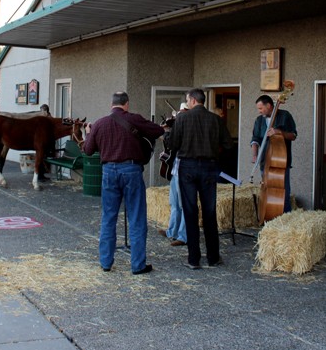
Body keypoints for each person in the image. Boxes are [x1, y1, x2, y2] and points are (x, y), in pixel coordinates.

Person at [83, 91, 164, 275]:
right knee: (136, 217)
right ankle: (137, 265)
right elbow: (158, 131)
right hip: (131, 170)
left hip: (108, 172)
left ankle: (106, 262)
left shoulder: (100, 123)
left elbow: (87, 150)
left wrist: (88, 133)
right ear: (126, 104)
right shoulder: (134, 119)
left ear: (112, 104)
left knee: (109, 217)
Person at [170, 88, 232, 270]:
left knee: (190, 212)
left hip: (187, 166)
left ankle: (193, 259)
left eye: (188, 100)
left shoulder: (182, 118)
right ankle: (213, 257)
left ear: (192, 100)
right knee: (209, 213)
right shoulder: (215, 120)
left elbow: (173, 144)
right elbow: (228, 145)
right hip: (209, 166)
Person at [250, 94, 297, 212]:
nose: (259, 111)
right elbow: (255, 139)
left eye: (261, 108)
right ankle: (268, 215)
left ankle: (285, 216)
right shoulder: (259, 120)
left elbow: (293, 135)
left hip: (281, 162)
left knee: (283, 191)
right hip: (264, 162)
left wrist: (279, 132)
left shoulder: (285, 116)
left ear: (269, 106)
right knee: (266, 190)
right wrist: (255, 154)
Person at [159, 103, 187, 247]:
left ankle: (183, 236)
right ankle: (172, 231)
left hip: (184, 172)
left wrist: (167, 132)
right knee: (175, 204)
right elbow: (170, 147)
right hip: (176, 170)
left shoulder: (187, 129)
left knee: (183, 204)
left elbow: (174, 143)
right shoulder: (178, 127)